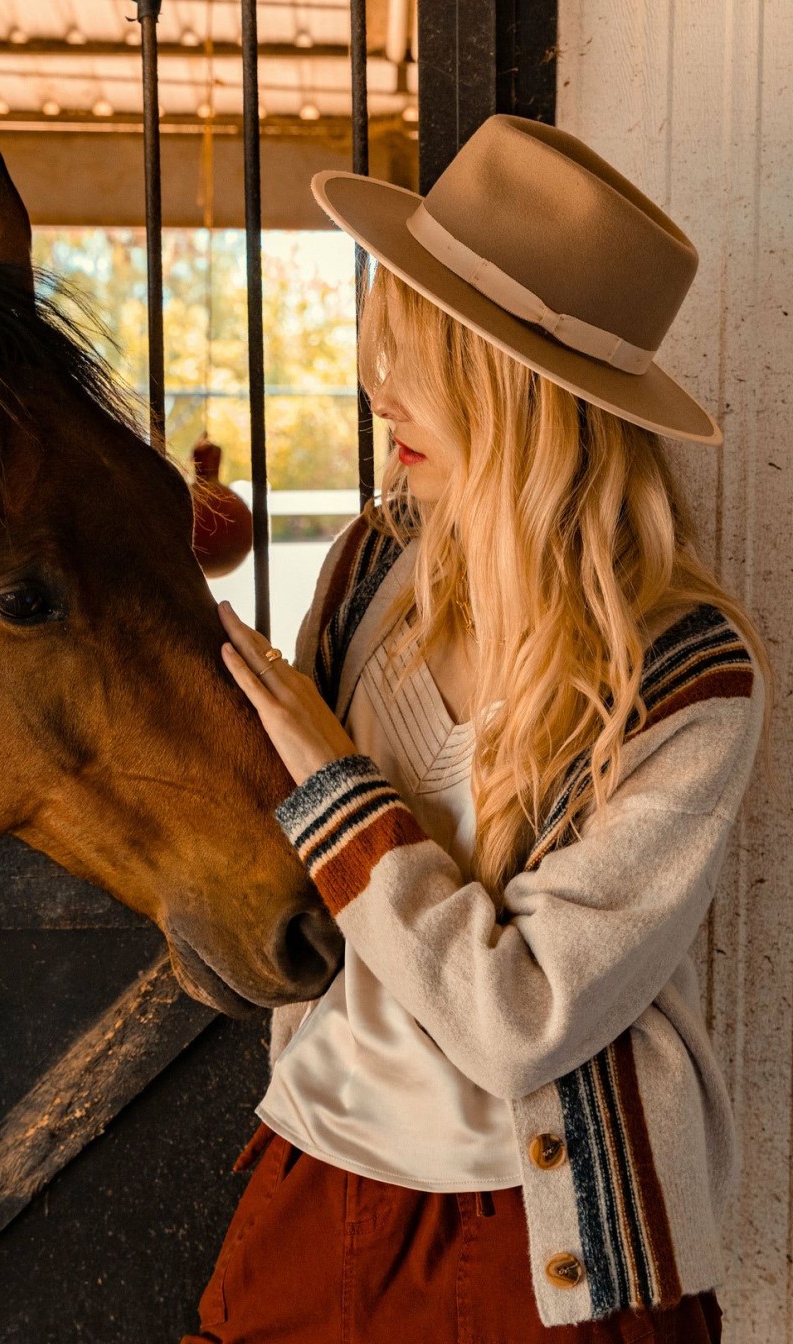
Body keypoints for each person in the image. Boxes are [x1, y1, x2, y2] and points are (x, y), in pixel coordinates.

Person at [181, 114, 775, 1344]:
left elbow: (518, 1023)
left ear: (521, 395)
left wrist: (340, 789)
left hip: (542, 1250)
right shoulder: (366, 573)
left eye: (418, 359)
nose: (375, 389)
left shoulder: (684, 677)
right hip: (314, 1188)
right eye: (378, 345)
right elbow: (278, 861)